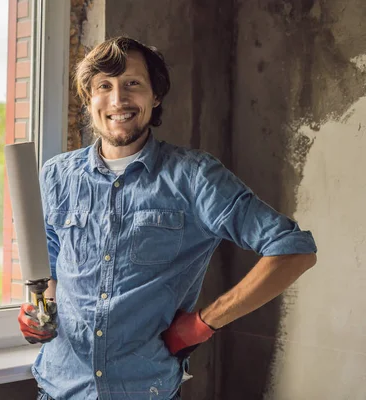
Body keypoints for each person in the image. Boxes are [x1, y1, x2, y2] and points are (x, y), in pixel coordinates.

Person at [17, 36, 317, 400]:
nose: (118, 100)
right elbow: (50, 267)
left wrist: (203, 324)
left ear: (155, 95)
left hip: (147, 390)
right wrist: (41, 313)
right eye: (104, 87)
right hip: (58, 388)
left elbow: (294, 251)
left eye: (132, 84)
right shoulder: (56, 174)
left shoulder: (194, 176)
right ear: (88, 97)